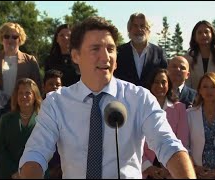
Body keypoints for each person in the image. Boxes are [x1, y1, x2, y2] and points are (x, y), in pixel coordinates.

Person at [18, 16, 196, 179]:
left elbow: (168, 145)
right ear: (75, 55)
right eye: (95, 49)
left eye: (110, 49)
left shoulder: (140, 98)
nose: (105, 57)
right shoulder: (56, 103)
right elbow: (36, 154)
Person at [142, 68, 189, 179]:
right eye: (156, 82)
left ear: (169, 84)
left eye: (163, 82)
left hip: (170, 170)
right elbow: (135, 141)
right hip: (144, 170)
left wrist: (168, 169)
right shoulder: (141, 107)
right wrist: (147, 166)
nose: (160, 86)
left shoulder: (179, 108)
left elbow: (182, 140)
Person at [0, 78, 42, 179]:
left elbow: (47, 148)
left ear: (35, 96)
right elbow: (0, 149)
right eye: (20, 93)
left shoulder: (44, 120)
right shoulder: (6, 119)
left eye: (28, 93)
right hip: (10, 174)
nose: (24, 96)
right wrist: (15, 171)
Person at [114, 12, 167, 87]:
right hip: (124, 97)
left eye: (142, 26)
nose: (139, 29)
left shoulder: (158, 53)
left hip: (151, 96)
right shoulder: (119, 52)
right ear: (129, 29)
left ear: (148, 30)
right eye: (135, 26)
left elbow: (165, 78)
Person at [0, 22, 42, 97]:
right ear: (1, 38)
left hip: (22, 105)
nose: (10, 40)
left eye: (14, 37)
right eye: (6, 36)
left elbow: (37, 87)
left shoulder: (30, 60)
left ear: (20, 39)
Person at [184, 20, 215, 90]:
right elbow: (187, 82)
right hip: (194, 98)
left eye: (206, 32)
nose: (203, 35)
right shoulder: (188, 58)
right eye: (199, 33)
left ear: (212, 35)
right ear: (194, 37)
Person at [42, 69, 63, 179]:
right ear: (44, 87)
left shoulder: (68, 111)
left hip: (62, 167)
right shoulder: (37, 110)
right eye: (51, 84)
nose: (55, 87)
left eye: (58, 85)